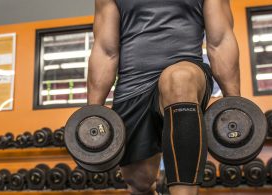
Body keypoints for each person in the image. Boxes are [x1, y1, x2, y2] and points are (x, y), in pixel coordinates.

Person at [87, 0, 240, 194]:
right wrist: (92, 112)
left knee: (178, 79)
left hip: (188, 72)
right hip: (132, 86)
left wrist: (234, 102)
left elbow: (220, 40)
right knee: (139, 180)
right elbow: (105, 50)